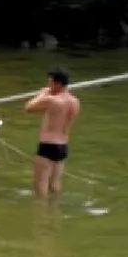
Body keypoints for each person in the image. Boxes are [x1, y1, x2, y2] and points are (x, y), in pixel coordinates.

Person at [25, 68, 80, 198]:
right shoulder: (75, 101)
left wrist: (42, 94)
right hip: (63, 146)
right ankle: (55, 211)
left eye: (50, 83)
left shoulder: (52, 100)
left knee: (40, 185)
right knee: (55, 184)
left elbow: (28, 107)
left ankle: (41, 214)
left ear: (58, 84)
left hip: (48, 145)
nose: (48, 86)